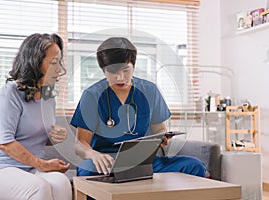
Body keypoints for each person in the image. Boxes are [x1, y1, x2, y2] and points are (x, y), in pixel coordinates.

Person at [70, 37, 206, 178]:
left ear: (133, 66)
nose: (120, 77)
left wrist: (162, 138)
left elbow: (159, 129)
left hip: (143, 162)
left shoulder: (150, 91)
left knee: (194, 166)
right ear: (103, 70)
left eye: (126, 70)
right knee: (87, 172)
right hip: (107, 163)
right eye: (113, 72)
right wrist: (93, 154)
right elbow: (80, 144)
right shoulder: (92, 96)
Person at [0, 33, 72, 200]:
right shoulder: (11, 92)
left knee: (61, 183)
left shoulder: (48, 95)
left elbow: (39, 136)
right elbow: (5, 142)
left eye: (59, 62)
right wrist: (43, 165)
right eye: (54, 62)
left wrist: (55, 137)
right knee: (38, 188)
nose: (60, 69)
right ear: (35, 63)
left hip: (29, 168)